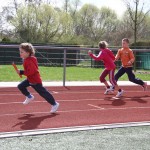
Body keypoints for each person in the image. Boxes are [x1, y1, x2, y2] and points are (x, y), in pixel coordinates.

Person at [16, 43, 59, 113]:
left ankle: (54, 104)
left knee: (43, 93)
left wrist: (21, 72)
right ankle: (29, 96)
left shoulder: (29, 60)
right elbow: (29, 72)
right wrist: (22, 72)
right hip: (30, 79)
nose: (20, 53)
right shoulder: (27, 59)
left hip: (35, 81)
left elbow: (31, 71)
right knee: (20, 86)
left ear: (28, 52)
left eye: (22, 52)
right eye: (20, 51)